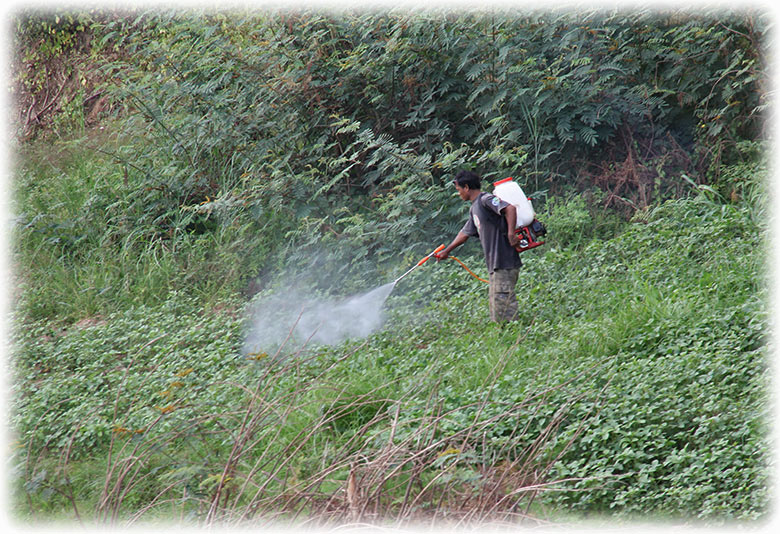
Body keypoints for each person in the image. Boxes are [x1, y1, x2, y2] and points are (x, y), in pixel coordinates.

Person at [436, 170, 521, 322]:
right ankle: (506, 338)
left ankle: (514, 337)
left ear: (466, 187)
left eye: (459, 190)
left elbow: (510, 208)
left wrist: (511, 234)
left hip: (504, 260)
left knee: (504, 304)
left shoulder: (485, 199)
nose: (459, 193)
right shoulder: (474, 208)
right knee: (497, 305)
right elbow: (464, 234)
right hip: (496, 264)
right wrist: (446, 251)